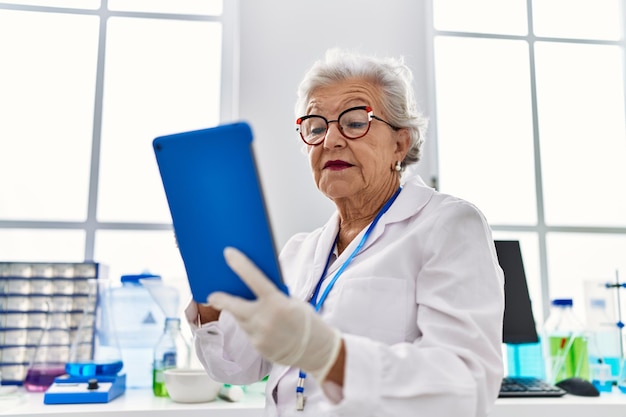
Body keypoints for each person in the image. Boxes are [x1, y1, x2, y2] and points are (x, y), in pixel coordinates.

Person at [185, 48, 504, 416]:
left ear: (400, 143)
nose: (330, 141)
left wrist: (329, 354)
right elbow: (235, 366)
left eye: (354, 122)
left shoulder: (447, 226)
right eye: (316, 127)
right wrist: (205, 264)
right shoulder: (298, 251)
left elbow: (466, 386)